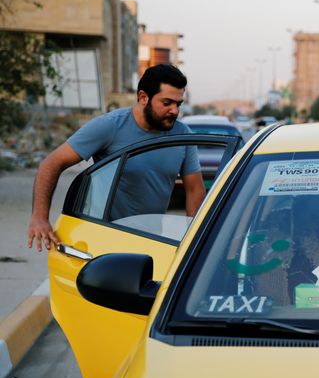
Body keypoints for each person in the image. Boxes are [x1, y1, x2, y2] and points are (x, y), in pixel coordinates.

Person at [27, 64, 205, 252]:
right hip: (103, 237)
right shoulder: (110, 127)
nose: (175, 111)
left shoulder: (182, 135)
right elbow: (52, 163)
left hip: (152, 241)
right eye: (167, 103)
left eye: (178, 104)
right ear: (143, 97)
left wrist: (192, 240)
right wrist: (39, 218)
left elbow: (195, 190)